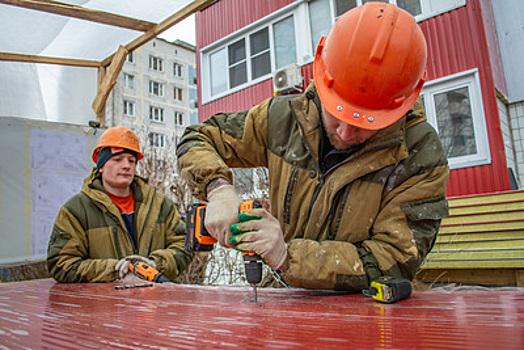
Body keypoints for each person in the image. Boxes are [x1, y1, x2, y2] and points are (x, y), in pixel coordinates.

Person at [177, 2, 449, 291]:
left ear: (399, 107)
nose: (345, 134)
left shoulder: (419, 154)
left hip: (366, 311)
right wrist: (217, 189)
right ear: (323, 82)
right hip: (284, 297)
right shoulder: (283, 119)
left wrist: (287, 256)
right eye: (337, 113)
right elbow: (199, 136)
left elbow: (394, 259)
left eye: (366, 124)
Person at [47, 126, 193, 283]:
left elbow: (184, 244)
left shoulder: (160, 205)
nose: (127, 166)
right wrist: (117, 270)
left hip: (155, 302)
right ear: (101, 166)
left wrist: (154, 264)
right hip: (104, 304)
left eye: (131, 161)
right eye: (118, 159)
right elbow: (61, 263)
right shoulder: (76, 210)